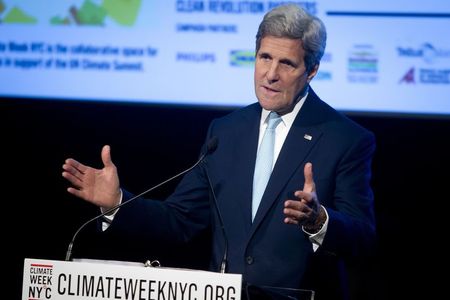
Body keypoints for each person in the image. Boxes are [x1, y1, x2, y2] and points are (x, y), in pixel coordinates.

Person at [62, 4, 376, 300]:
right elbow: (180, 220)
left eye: (287, 63)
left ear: (311, 71)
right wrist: (118, 202)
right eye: (264, 57)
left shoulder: (345, 139)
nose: (270, 74)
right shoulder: (226, 132)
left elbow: (364, 240)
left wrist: (319, 220)